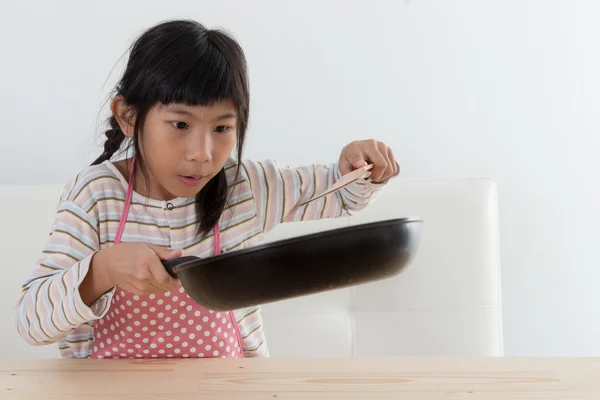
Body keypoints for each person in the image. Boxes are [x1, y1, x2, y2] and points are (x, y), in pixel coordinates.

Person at [14, 19, 399, 359]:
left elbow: (344, 193)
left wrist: (361, 166)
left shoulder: (248, 188)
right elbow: (31, 323)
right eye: (180, 125)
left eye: (222, 128)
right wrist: (102, 270)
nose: (202, 154)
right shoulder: (93, 195)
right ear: (129, 117)